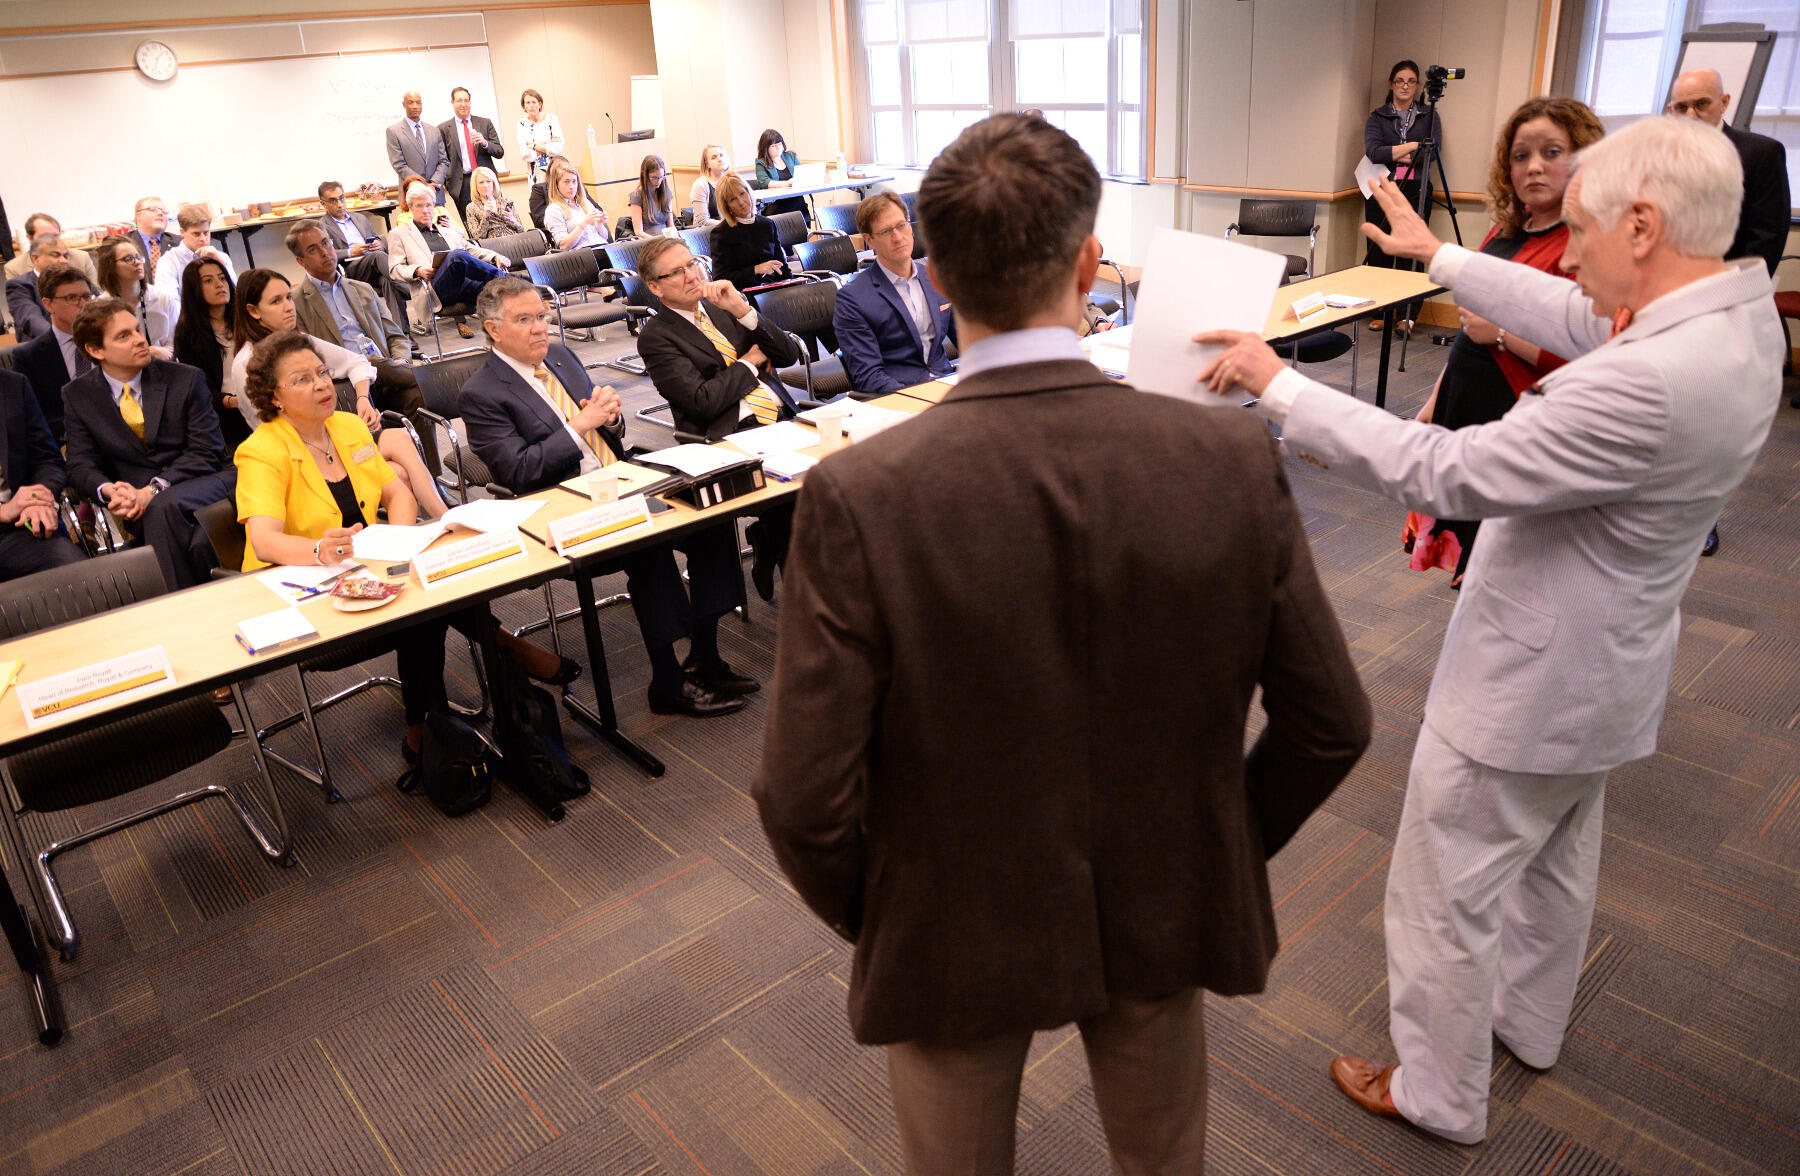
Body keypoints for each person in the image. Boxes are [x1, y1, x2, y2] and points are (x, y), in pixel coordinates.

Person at [752, 113, 1371, 1175]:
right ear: (1092, 264)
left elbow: (801, 794)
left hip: (951, 921)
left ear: (936, 276)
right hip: (1163, 898)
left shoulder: (862, 496)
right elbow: (1332, 724)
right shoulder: (1227, 461)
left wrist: (892, 910)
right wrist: (1210, 851)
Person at [1196, 114, 1782, 1147]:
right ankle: (1531, 1026)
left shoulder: (1640, 380)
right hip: (1609, 672)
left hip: (1530, 681)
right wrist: (1442, 257)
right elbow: (1569, 305)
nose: (1572, 253)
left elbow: (1448, 472)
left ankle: (1438, 1091)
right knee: (1557, 859)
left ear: (1645, 227)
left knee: (1442, 892)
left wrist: (1276, 384)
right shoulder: (1729, 317)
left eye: (1589, 229)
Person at [234, 331, 573, 764]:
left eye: (322, 373)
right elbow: (264, 541)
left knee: (429, 587)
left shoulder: (347, 427)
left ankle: (427, 727)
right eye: (302, 380)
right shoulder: (261, 451)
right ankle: (495, 659)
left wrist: (396, 546)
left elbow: (396, 494)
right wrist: (321, 550)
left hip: (360, 567)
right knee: (422, 609)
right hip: (297, 586)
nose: (321, 385)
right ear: (273, 397)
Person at [461, 277, 755, 717]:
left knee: (709, 515)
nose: (541, 328)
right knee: (647, 542)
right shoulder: (481, 394)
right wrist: (581, 424)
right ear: (493, 329)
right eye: (524, 320)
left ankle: (706, 657)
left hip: (616, 477)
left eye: (541, 316)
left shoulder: (558, 355)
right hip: (559, 505)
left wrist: (611, 421)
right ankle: (668, 683)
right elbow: (519, 470)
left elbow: (605, 431)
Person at [1404, 97, 1603, 588]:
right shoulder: (1506, 229)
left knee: (1504, 560)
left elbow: (1588, 353)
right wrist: (1434, 400)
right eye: (1520, 156)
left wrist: (1500, 337)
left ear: (1584, 159)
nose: (1534, 166)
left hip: (1518, 409)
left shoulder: (1584, 243)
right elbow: (1472, 321)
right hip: (1466, 394)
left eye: (1552, 152)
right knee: (1467, 538)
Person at [1665, 66, 1793, 536]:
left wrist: (1714, 293)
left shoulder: (1760, 153)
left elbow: (1767, 237)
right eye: (1681, 107)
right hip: (1664, 301)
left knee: (1708, 420)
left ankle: (1701, 517)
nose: (1692, 115)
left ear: (1725, 101)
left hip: (1725, 304)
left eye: (1701, 104)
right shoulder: (1659, 155)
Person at [636, 236, 799, 598]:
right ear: (654, 287)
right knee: (795, 507)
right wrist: (750, 363)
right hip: (727, 438)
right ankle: (807, 608)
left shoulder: (722, 305)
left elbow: (787, 354)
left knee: (836, 481)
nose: (692, 275)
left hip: (781, 420)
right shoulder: (656, 337)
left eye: (692, 263)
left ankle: (766, 538)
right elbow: (703, 402)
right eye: (676, 272)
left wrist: (742, 308)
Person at [225, 269, 439, 513]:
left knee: (400, 438)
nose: (288, 307)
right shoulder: (247, 364)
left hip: (332, 441)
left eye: (288, 297)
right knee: (398, 472)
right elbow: (272, 427)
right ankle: (439, 522)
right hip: (301, 456)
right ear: (253, 311)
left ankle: (446, 518)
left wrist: (362, 399)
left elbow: (357, 361)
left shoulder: (298, 341)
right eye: (276, 301)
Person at [62, 297, 234, 589]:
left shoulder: (185, 378)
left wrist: (153, 489)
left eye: (137, 330)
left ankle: (174, 607)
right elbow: (79, 464)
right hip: (140, 505)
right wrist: (109, 490)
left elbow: (207, 451)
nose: (140, 340)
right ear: (95, 350)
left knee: (161, 508)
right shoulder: (78, 395)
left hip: (209, 480)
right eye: (123, 336)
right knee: (196, 543)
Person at [284, 220, 427, 447]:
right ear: (300, 261)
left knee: (416, 396)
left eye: (326, 243)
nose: (324, 252)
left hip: (388, 373)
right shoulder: (296, 304)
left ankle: (428, 477)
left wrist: (400, 359)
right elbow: (306, 359)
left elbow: (396, 336)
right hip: (345, 382)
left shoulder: (362, 289)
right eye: (313, 249)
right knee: (397, 372)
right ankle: (438, 380)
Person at [834, 192, 956, 395]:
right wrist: (917, 399)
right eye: (885, 231)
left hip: (945, 384)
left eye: (901, 226)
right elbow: (868, 375)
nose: (898, 237)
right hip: (898, 396)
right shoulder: (852, 299)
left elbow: (968, 342)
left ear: (910, 226)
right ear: (869, 241)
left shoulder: (937, 277)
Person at [1364, 59, 1442, 335]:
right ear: (1391, 84)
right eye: (1400, 81)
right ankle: (1381, 312)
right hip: (1382, 188)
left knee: (1411, 252)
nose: (1405, 86)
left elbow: (1431, 153)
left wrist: (1395, 150)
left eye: (1411, 81)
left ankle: (1406, 316)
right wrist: (1410, 146)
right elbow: (1374, 152)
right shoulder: (1378, 116)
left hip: (1416, 189)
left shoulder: (1429, 116)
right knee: (1380, 250)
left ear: (1417, 85)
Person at [387, 182, 511, 337]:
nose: (425, 210)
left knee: (494, 286)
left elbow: (471, 249)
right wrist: (417, 271)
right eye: (419, 206)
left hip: (464, 286)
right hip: (435, 290)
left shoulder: (448, 232)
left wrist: (494, 256)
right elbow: (394, 269)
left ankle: (510, 286)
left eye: (429, 205)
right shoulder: (399, 234)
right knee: (456, 256)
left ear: (434, 207)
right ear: (411, 208)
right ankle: (509, 279)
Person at [0, 368, 82, 581]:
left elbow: (47, 459)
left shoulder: (12, 385)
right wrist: (3, 510)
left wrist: (35, 499)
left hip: (19, 528)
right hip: (7, 512)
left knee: (80, 577)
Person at [171, 258, 251, 452]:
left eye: (222, 278)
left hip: (261, 398)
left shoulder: (245, 320)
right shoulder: (187, 334)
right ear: (194, 289)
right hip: (227, 412)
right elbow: (199, 387)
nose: (219, 284)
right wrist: (231, 401)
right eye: (208, 280)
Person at [11, 262, 93, 442]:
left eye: (87, 296)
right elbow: (32, 418)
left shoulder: (108, 342)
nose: (83, 304)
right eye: (72, 298)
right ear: (48, 305)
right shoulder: (29, 357)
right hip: (65, 442)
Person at [317, 181, 402, 319]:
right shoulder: (322, 226)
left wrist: (378, 244)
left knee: (387, 282)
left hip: (375, 265)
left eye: (341, 198)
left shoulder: (359, 218)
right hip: (351, 269)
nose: (339, 204)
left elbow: (375, 238)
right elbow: (326, 255)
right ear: (323, 204)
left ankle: (403, 332)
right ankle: (407, 285)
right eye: (333, 201)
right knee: (377, 256)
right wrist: (351, 252)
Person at [96, 235, 178, 355]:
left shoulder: (163, 299)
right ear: (110, 266)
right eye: (128, 259)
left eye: (138, 257)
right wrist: (148, 352)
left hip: (163, 368)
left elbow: (176, 346)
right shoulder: (100, 307)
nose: (137, 262)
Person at [708, 175, 791, 291]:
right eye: (733, 199)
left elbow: (782, 268)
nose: (741, 202)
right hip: (745, 297)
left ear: (748, 192)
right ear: (727, 206)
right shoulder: (721, 233)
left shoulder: (767, 224)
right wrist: (755, 270)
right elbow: (721, 279)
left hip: (773, 293)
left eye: (742, 194)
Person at [439, 85, 506, 222]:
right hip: (462, 184)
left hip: (486, 181)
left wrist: (485, 142)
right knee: (472, 224)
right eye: (459, 101)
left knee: (497, 219)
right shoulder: (443, 129)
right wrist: (448, 183)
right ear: (452, 103)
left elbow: (499, 151)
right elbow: (442, 160)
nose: (463, 104)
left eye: (466, 100)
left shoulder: (484, 123)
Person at [152, 204, 236, 297]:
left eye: (206, 233)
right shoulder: (169, 261)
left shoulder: (221, 257)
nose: (203, 239)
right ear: (182, 232)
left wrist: (221, 264)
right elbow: (169, 303)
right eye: (196, 234)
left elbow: (235, 292)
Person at [5, 234, 74, 341]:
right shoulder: (20, 285)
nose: (64, 261)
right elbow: (32, 321)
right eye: (56, 255)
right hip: (43, 348)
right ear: (35, 258)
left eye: (65, 256)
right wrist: (64, 340)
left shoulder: (76, 280)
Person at [386, 91, 449, 206]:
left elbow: (444, 161)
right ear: (404, 104)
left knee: (441, 224)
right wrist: (423, 185)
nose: (415, 106)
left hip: (435, 194)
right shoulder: (393, 131)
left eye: (418, 103)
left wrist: (433, 183)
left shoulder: (434, 131)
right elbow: (399, 165)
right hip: (412, 195)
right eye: (410, 102)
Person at [541, 158, 611, 252]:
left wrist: (599, 224)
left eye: (574, 181)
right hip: (582, 256)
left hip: (602, 248)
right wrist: (584, 223)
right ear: (556, 185)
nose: (571, 186)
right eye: (566, 182)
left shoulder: (585, 203)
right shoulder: (554, 210)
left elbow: (604, 238)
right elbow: (564, 245)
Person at [2, 214, 97, 283]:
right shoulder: (14, 268)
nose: (51, 241)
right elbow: (21, 305)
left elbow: (96, 296)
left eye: (55, 236)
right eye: (44, 236)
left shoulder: (81, 258)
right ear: (30, 238)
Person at [751, 128, 808, 221]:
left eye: (780, 144)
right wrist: (786, 183)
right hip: (775, 204)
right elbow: (764, 182)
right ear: (766, 148)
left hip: (796, 200)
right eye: (773, 146)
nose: (778, 148)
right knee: (791, 206)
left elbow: (801, 174)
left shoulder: (791, 156)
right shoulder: (761, 163)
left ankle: (800, 230)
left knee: (798, 201)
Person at [516, 89, 564, 185]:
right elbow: (525, 153)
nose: (531, 105)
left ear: (540, 104)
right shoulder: (522, 124)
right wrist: (548, 145)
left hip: (555, 169)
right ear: (524, 106)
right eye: (528, 103)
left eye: (534, 102)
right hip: (535, 173)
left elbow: (558, 148)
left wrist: (533, 146)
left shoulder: (551, 119)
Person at [463, 167, 521, 240]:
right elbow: (477, 237)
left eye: (488, 181)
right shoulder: (472, 207)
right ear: (475, 186)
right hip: (493, 244)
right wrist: (485, 217)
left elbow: (521, 230)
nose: (485, 185)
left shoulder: (505, 202)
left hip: (514, 240)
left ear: (493, 183)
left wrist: (513, 221)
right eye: (481, 182)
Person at [627, 154, 677, 236]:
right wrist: (658, 241)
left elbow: (671, 226)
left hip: (666, 240)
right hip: (650, 242)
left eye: (661, 177)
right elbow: (638, 232)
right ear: (644, 175)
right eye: (654, 177)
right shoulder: (637, 195)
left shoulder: (666, 193)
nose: (659, 182)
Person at [128, 197, 180, 275]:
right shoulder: (123, 243)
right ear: (138, 215)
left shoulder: (180, 243)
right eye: (153, 209)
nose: (160, 213)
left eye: (164, 211)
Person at [689, 144, 732, 228]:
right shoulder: (700, 185)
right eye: (714, 157)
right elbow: (702, 221)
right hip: (708, 232)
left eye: (721, 155)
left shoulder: (734, 180)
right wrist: (728, 223)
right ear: (707, 164)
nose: (719, 159)